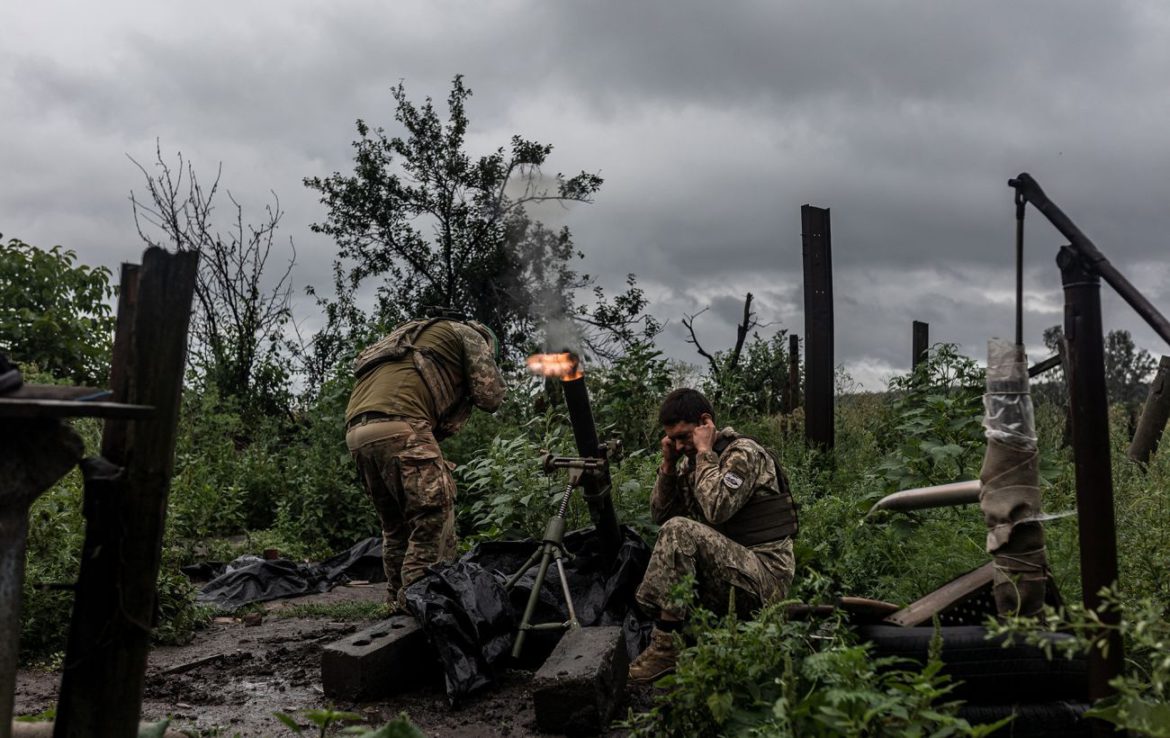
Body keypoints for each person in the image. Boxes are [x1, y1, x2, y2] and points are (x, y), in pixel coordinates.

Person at [628, 388, 798, 682]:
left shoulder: (743, 453)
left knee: (681, 531)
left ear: (705, 423)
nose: (680, 445)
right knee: (675, 529)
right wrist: (668, 466)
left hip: (765, 579)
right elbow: (661, 517)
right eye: (673, 439)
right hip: (732, 573)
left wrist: (705, 453)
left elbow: (717, 508)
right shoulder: (692, 463)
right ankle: (682, 637)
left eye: (684, 436)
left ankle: (667, 648)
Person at [344, 314, 506, 608]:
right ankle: (423, 605)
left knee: (396, 527)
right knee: (433, 517)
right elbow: (490, 396)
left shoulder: (412, 337)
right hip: (402, 425)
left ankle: (395, 603)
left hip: (358, 434)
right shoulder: (470, 335)